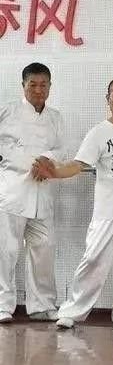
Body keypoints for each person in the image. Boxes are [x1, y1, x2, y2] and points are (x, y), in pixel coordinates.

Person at [32, 78, 113, 329]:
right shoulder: (99, 132)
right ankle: (72, 312)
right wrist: (55, 172)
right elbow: (78, 164)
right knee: (94, 259)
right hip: (108, 209)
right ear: (108, 99)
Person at [0, 63, 62, 323]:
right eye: (32, 85)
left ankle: (42, 305)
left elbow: (60, 149)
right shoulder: (7, 111)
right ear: (23, 85)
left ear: (50, 86)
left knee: (43, 248)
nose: (38, 90)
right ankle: (2, 305)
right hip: (12, 190)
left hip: (42, 191)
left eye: (43, 85)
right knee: (6, 250)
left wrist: (46, 159)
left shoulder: (55, 117)